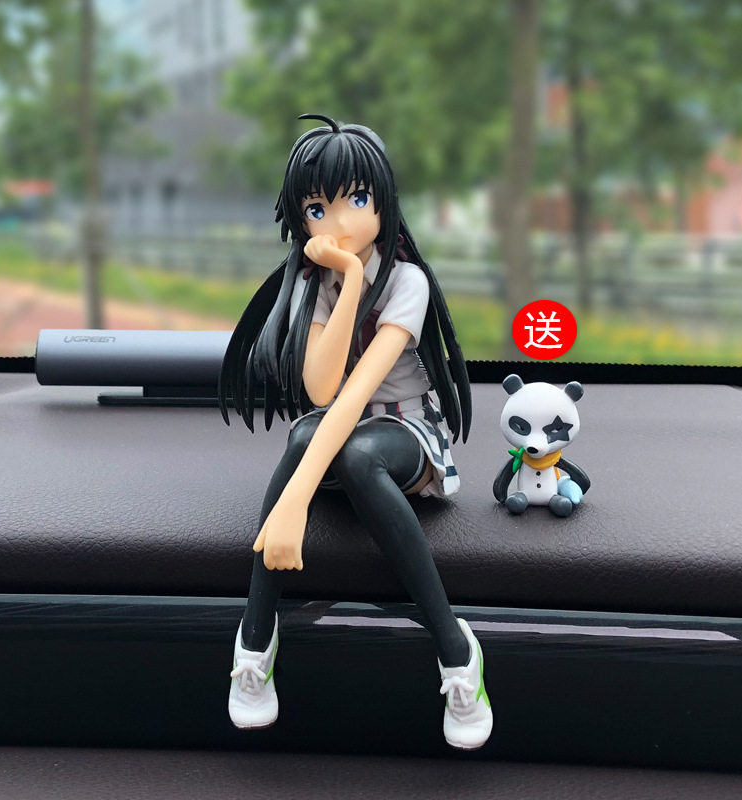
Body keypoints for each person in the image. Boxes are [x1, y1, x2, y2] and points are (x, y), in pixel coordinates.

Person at [219, 114, 492, 750]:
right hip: (338, 426)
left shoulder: (407, 281)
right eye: (317, 209)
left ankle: (457, 651)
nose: (337, 222)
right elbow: (321, 390)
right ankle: (254, 641)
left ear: (384, 201)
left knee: (358, 454)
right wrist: (344, 284)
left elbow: (360, 392)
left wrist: (292, 505)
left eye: (356, 200)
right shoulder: (317, 286)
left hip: (402, 430)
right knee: (303, 438)